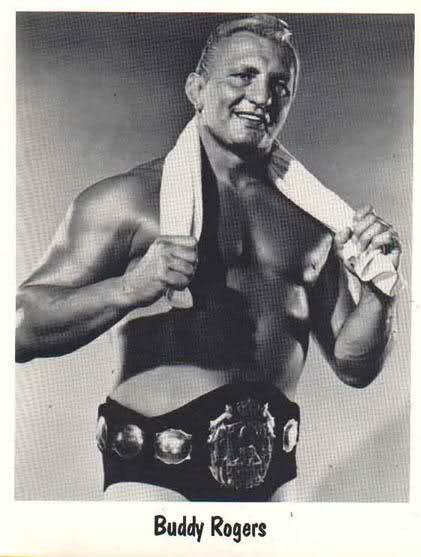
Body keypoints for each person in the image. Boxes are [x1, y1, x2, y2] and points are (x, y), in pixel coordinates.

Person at [15, 15, 401, 502]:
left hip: (271, 485)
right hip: (155, 480)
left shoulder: (313, 222)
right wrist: (129, 288)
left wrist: (380, 291)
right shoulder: (129, 201)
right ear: (196, 90)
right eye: (243, 75)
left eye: (279, 85)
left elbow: (354, 367)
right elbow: (19, 326)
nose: (262, 96)